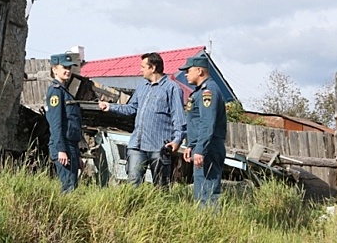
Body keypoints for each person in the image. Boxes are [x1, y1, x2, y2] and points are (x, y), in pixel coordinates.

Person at [98, 52, 186, 187]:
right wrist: (110, 107)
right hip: (137, 144)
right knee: (133, 182)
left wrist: (177, 140)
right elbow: (131, 108)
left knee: (161, 185)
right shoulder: (141, 87)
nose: (140, 70)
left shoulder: (172, 88)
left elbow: (179, 118)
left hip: (159, 146)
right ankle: (133, 207)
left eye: (143, 67)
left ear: (153, 68)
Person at [179, 56, 227, 208]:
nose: (186, 74)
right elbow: (196, 122)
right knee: (201, 193)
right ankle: (203, 224)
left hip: (209, 148)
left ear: (199, 71)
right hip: (202, 147)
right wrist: (191, 145)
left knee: (209, 193)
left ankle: (212, 225)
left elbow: (207, 123)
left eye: (188, 70)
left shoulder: (209, 91)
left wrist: (200, 149)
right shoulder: (199, 92)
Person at [45, 53, 83, 193]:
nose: (67, 70)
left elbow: (72, 125)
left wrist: (77, 154)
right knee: (68, 188)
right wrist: (61, 149)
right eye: (64, 67)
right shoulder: (56, 92)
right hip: (63, 146)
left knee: (72, 187)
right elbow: (56, 123)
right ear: (54, 69)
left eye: (69, 67)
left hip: (70, 146)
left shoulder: (65, 91)